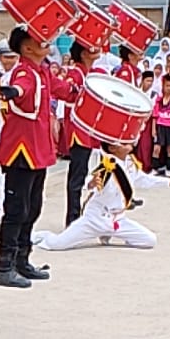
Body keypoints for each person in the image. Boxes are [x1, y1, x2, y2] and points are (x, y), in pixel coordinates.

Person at [0, 25, 81, 287]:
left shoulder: (42, 71)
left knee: (32, 207)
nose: (46, 41)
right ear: (26, 47)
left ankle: (22, 259)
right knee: (16, 209)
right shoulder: (24, 71)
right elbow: (21, 89)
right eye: (39, 40)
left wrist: (86, 79)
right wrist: (13, 92)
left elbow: (66, 91)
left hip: (37, 148)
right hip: (21, 149)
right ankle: (4, 265)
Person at [33, 142, 170, 251]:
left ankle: (108, 234)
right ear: (113, 148)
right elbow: (90, 181)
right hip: (96, 218)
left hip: (117, 219)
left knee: (149, 240)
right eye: (122, 142)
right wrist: (92, 183)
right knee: (57, 244)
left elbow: (144, 179)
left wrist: (169, 182)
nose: (128, 143)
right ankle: (36, 236)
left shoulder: (130, 162)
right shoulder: (108, 165)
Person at [64, 38, 109, 225]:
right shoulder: (75, 73)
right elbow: (67, 94)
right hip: (79, 130)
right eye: (91, 47)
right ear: (83, 53)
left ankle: (87, 212)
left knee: (91, 172)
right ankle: (73, 217)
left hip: (89, 130)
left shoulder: (92, 72)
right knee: (78, 175)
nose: (96, 49)